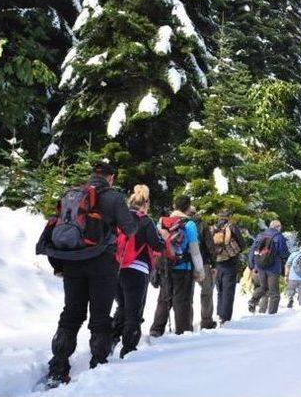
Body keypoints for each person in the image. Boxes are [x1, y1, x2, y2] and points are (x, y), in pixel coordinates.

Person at [41, 161, 137, 387]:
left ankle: (58, 367)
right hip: (103, 263)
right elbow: (130, 228)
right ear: (110, 177)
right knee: (100, 316)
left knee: (71, 313)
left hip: (73, 261)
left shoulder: (74, 194)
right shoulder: (114, 197)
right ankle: (98, 365)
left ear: (93, 175)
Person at [112, 185, 166, 358]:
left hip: (116, 269)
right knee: (134, 312)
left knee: (122, 307)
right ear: (145, 204)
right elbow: (157, 245)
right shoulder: (145, 220)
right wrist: (164, 239)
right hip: (137, 269)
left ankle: (109, 341)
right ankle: (128, 350)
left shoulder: (119, 219)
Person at [149, 195, 206, 336]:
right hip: (183, 267)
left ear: (175, 206)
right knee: (182, 301)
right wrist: (200, 271)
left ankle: (156, 329)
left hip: (165, 267)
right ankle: (183, 331)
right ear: (188, 207)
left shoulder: (162, 222)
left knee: (164, 298)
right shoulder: (189, 224)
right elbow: (195, 250)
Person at [209, 210, 244, 326]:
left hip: (217, 262)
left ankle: (219, 313)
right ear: (228, 217)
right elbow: (242, 245)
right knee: (228, 291)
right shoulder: (232, 228)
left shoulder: (213, 229)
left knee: (220, 291)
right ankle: (225, 317)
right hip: (230, 262)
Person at [247, 220, 288, 314]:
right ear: (278, 227)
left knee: (263, 287)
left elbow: (253, 250)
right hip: (273, 268)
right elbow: (284, 253)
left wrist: (252, 265)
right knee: (274, 293)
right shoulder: (279, 236)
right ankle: (272, 315)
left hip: (260, 266)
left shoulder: (260, 235)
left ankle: (253, 300)